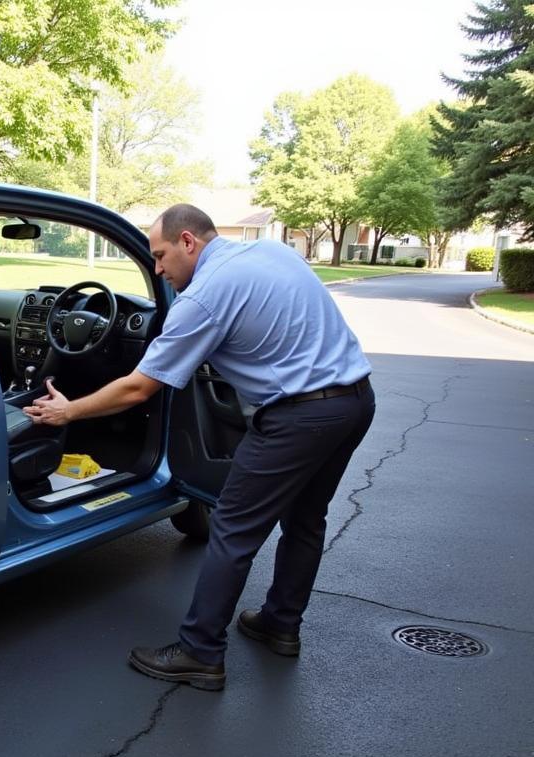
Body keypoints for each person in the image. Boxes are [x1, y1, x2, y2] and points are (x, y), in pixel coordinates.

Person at [24, 203, 374, 691]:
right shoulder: (273, 252)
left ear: (189, 242)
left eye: (162, 256)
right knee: (305, 519)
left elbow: (137, 389)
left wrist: (68, 412)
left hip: (298, 417)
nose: (158, 270)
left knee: (232, 528)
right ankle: (280, 625)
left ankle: (200, 652)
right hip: (355, 400)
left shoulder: (205, 298)